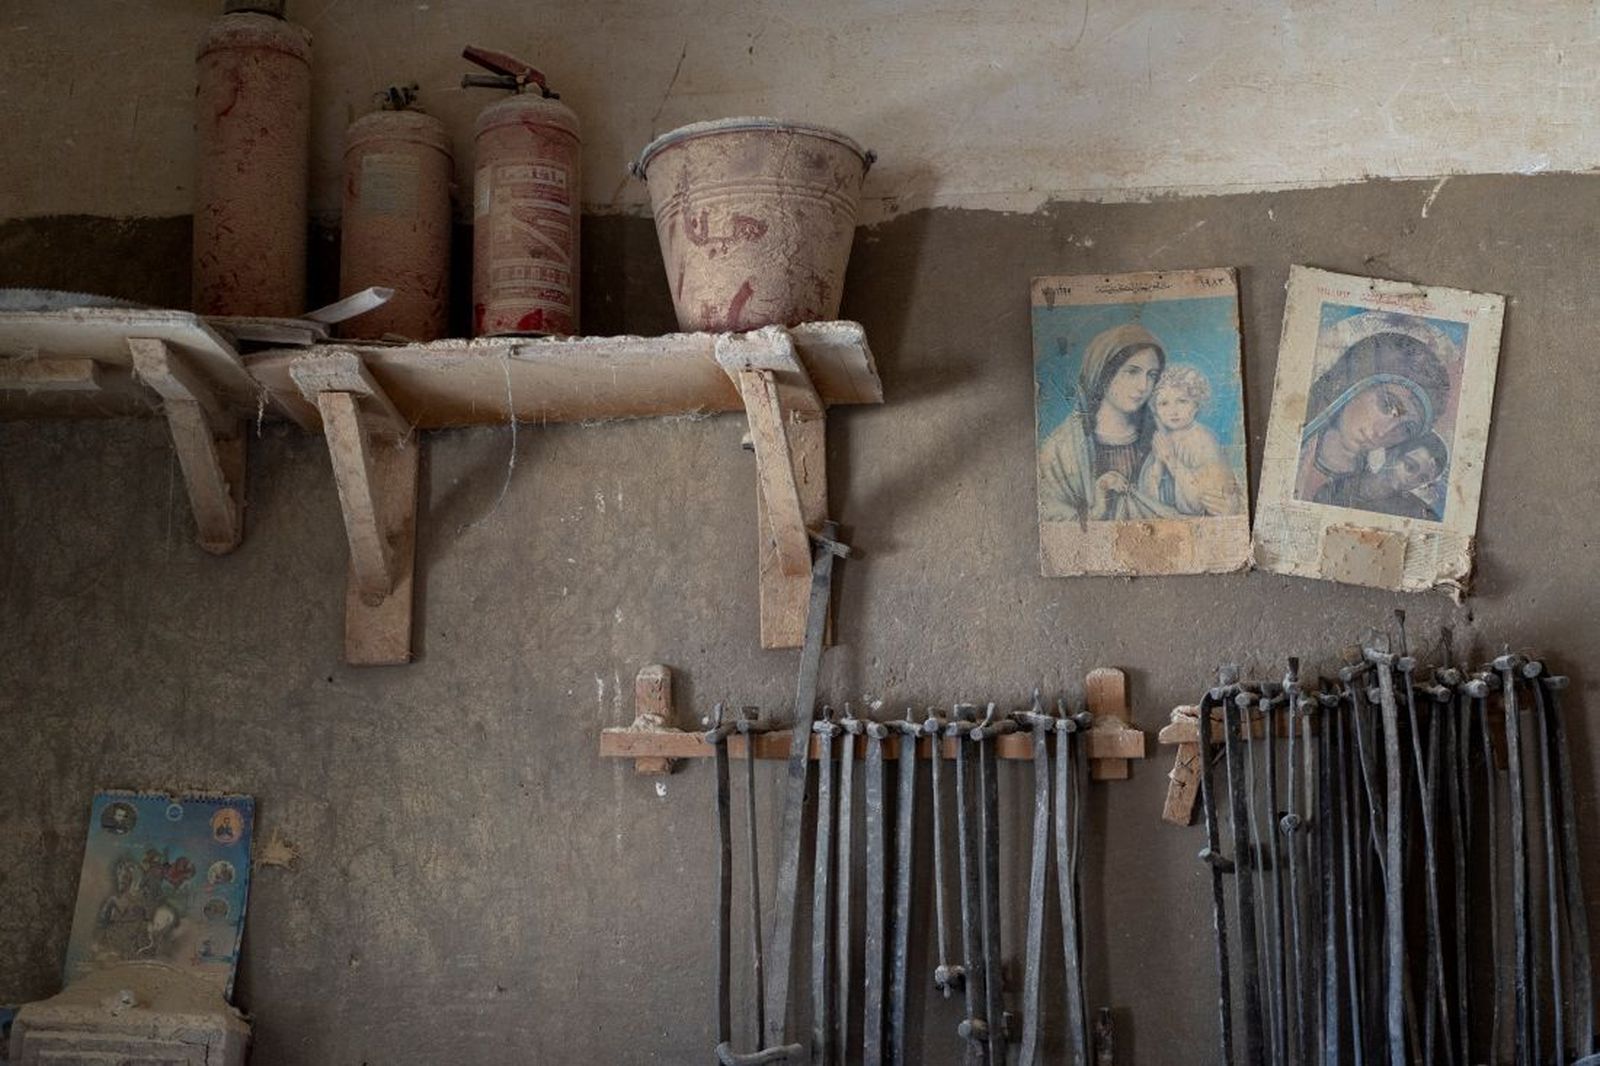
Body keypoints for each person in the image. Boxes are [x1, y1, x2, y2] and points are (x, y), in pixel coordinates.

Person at [1038, 323, 1179, 526]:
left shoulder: (1163, 438)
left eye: (1152, 375)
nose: (1143, 386)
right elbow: (1052, 520)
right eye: (1132, 372)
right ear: (1103, 373)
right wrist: (1097, 511)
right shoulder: (1060, 448)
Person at [1294, 330, 1451, 503]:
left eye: (1406, 429)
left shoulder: (1368, 495)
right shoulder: (1290, 442)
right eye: (1387, 405)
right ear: (1355, 386)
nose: (1384, 432)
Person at [1136, 364, 1243, 516]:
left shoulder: (1203, 439)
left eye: (1182, 401)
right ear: (1155, 409)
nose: (1173, 411)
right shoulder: (1162, 438)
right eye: (1164, 403)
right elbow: (1147, 494)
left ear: (1196, 404)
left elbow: (1202, 501)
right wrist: (1159, 464)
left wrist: (1170, 460)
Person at [1315, 431, 1447, 520]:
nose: (1412, 480)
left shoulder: (1418, 512)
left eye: (1422, 479)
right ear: (1393, 453)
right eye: (1410, 467)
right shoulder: (1338, 488)